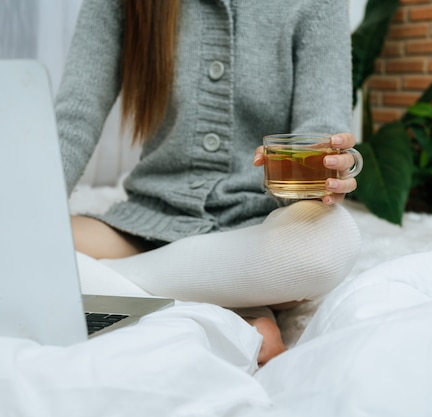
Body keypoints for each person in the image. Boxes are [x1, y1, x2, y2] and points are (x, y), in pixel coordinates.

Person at [55, 0, 361, 365]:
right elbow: (75, 117)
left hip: (256, 231)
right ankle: (229, 306)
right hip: (149, 221)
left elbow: (319, 133)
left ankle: (120, 287)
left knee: (330, 242)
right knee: (15, 244)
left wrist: (325, 172)